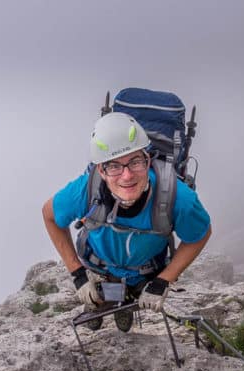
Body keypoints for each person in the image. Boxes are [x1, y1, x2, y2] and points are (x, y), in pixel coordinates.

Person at [42, 112, 211, 331]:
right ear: (101, 171)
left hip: (146, 271)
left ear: (148, 160)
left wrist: (163, 281)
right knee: (99, 293)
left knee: (134, 293)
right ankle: (99, 303)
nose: (127, 176)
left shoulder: (179, 199)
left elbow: (200, 235)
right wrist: (78, 274)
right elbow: (50, 216)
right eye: (114, 166)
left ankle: (125, 304)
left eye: (135, 161)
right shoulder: (85, 190)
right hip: (98, 267)